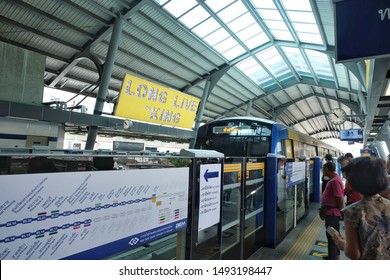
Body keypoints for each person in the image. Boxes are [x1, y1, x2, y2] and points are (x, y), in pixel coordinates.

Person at [333, 157, 390, 259]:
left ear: (354, 182)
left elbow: (354, 254)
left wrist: (343, 244)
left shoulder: (352, 212)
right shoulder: (388, 204)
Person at [321, 161, 344, 260]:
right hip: (330, 212)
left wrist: (341, 211)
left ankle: (334, 257)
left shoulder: (334, 181)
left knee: (332, 235)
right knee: (331, 234)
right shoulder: (333, 179)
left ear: (326, 169)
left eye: (323, 169)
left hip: (332, 213)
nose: (323, 171)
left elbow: (339, 197)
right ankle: (332, 255)